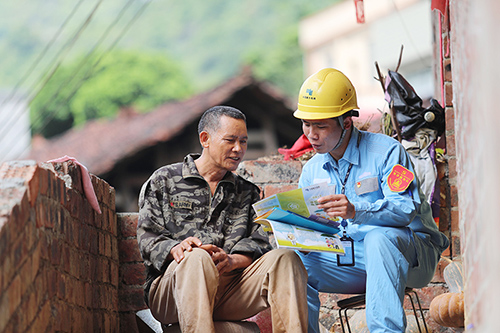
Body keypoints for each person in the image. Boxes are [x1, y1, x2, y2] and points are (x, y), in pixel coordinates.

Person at [292, 68, 450, 332]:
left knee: (379, 238)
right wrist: (298, 234)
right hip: (352, 260)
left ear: (346, 122)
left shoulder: (387, 152)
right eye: (306, 124)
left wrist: (356, 210)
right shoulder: (311, 170)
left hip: (410, 256)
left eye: (320, 125)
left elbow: (404, 210)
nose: (311, 134)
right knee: (291, 262)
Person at [136, 105, 308, 333]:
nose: (238, 149)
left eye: (243, 141)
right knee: (196, 257)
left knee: (286, 258)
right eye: (230, 140)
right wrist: (177, 248)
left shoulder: (247, 192)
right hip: (173, 289)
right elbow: (147, 237)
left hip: (229, 291)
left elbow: (259, 245)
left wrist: (232, 261)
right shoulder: (164, 180)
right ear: (205, 139)